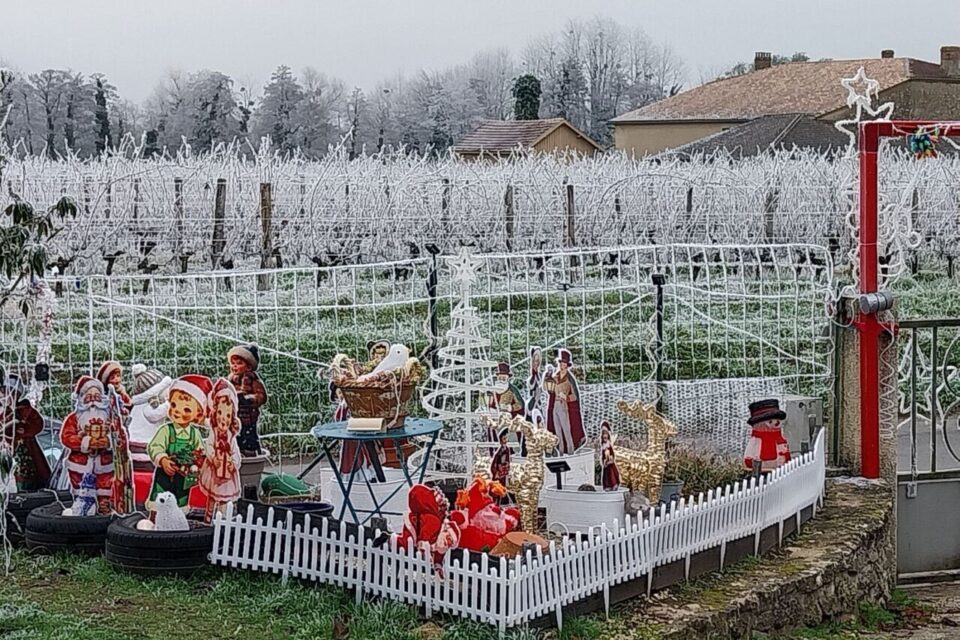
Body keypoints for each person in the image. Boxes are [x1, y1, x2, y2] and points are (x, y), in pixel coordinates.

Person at [147, 374, 212, 512]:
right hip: (165, 473)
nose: (177, 411)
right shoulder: (166, 430)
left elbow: (200, 451)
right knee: (159, 498)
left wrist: (198, 463)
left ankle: (179, 519)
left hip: (184, 476)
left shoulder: (194, 433)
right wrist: (163, 460)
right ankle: (154, 518)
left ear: (198, 415)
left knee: (181, 499)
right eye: (174, 405)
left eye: (187, 409)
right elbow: (154, 446)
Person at [60, 376, 115, 514]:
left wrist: (108, 441)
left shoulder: (110, 417)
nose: (93, 400)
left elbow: (120, 434)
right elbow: (66, 437)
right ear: (81, 398)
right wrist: (86, 442)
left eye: (97, 396)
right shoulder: (74, 418)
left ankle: (104, 503)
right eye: (89, 396)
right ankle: (82, 504)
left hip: (105, 462)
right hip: (80, 463)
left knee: (106, 482)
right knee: (81, 488)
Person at [198, 378, 242, 523]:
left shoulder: (231, 437)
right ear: (215, 414)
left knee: (224, 499)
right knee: (212, 496)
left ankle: (224, 521)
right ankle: (208, 518)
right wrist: (212, 458)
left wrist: (233, 464)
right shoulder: (214, 433)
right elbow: (208, 446)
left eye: (228, 415)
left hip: (227, 475)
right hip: (214, 472)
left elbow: (236, 453)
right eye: (221, 414)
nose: (224, 419)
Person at [0, 372, 50, 491]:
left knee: (27, 472)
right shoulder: (4, 414)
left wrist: (24, 430)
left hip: (27, 452)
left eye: (10, 393)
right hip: (8, 451)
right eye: (4, 393)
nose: (6, 396)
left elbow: (38, 424)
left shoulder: (26, 410)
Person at [127, 364, 173, 472]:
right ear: (156, 391)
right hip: (143, 449)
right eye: (166, 389)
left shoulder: (139, 405)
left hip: (135, 446)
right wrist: (171, 403)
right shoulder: (150, 406)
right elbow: (155, 414)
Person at [227, 344, 268, 456]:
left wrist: (248, 399)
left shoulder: (252, 380)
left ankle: (251, 455)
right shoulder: (231, 380)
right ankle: (236, 453)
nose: (235, 366)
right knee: (235, 437)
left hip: (248, 417)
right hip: (234, 417)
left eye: (239, 363)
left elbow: (261, 396)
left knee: (249, 437)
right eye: (233, 363)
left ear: (249, 366)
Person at [544, 349, 586, 455]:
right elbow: (549, 389)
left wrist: (566, 398)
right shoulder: (555, 376)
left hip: (564, 405)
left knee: (567, 430)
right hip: (555, 405)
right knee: (558, 431)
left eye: (564, 364)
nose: (562, 366)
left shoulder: (569, 379)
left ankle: (571, 451)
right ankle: (561, 452)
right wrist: (547, 379)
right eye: (561, 363)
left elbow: (575, 396)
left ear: (567, 365)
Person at [743, 399, 791, 472]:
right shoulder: (756, 439)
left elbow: (784, 448)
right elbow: (750, 449)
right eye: (770, 421)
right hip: (761, 469)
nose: (776, 423)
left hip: (780, 469)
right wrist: (749, 459)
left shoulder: (779, 437)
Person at [599, 421, 620, 491]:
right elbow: (603, 456)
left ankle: (614, 484)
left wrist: (611, 459)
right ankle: (608, 486)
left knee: (612, 474)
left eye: (606, 434)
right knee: (607, 475)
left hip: (610, 463)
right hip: (606, 464)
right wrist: (604, 462)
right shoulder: (603, 446)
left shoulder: (609, 445)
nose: (604, 436)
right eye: (603, 434)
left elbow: (612, 454)